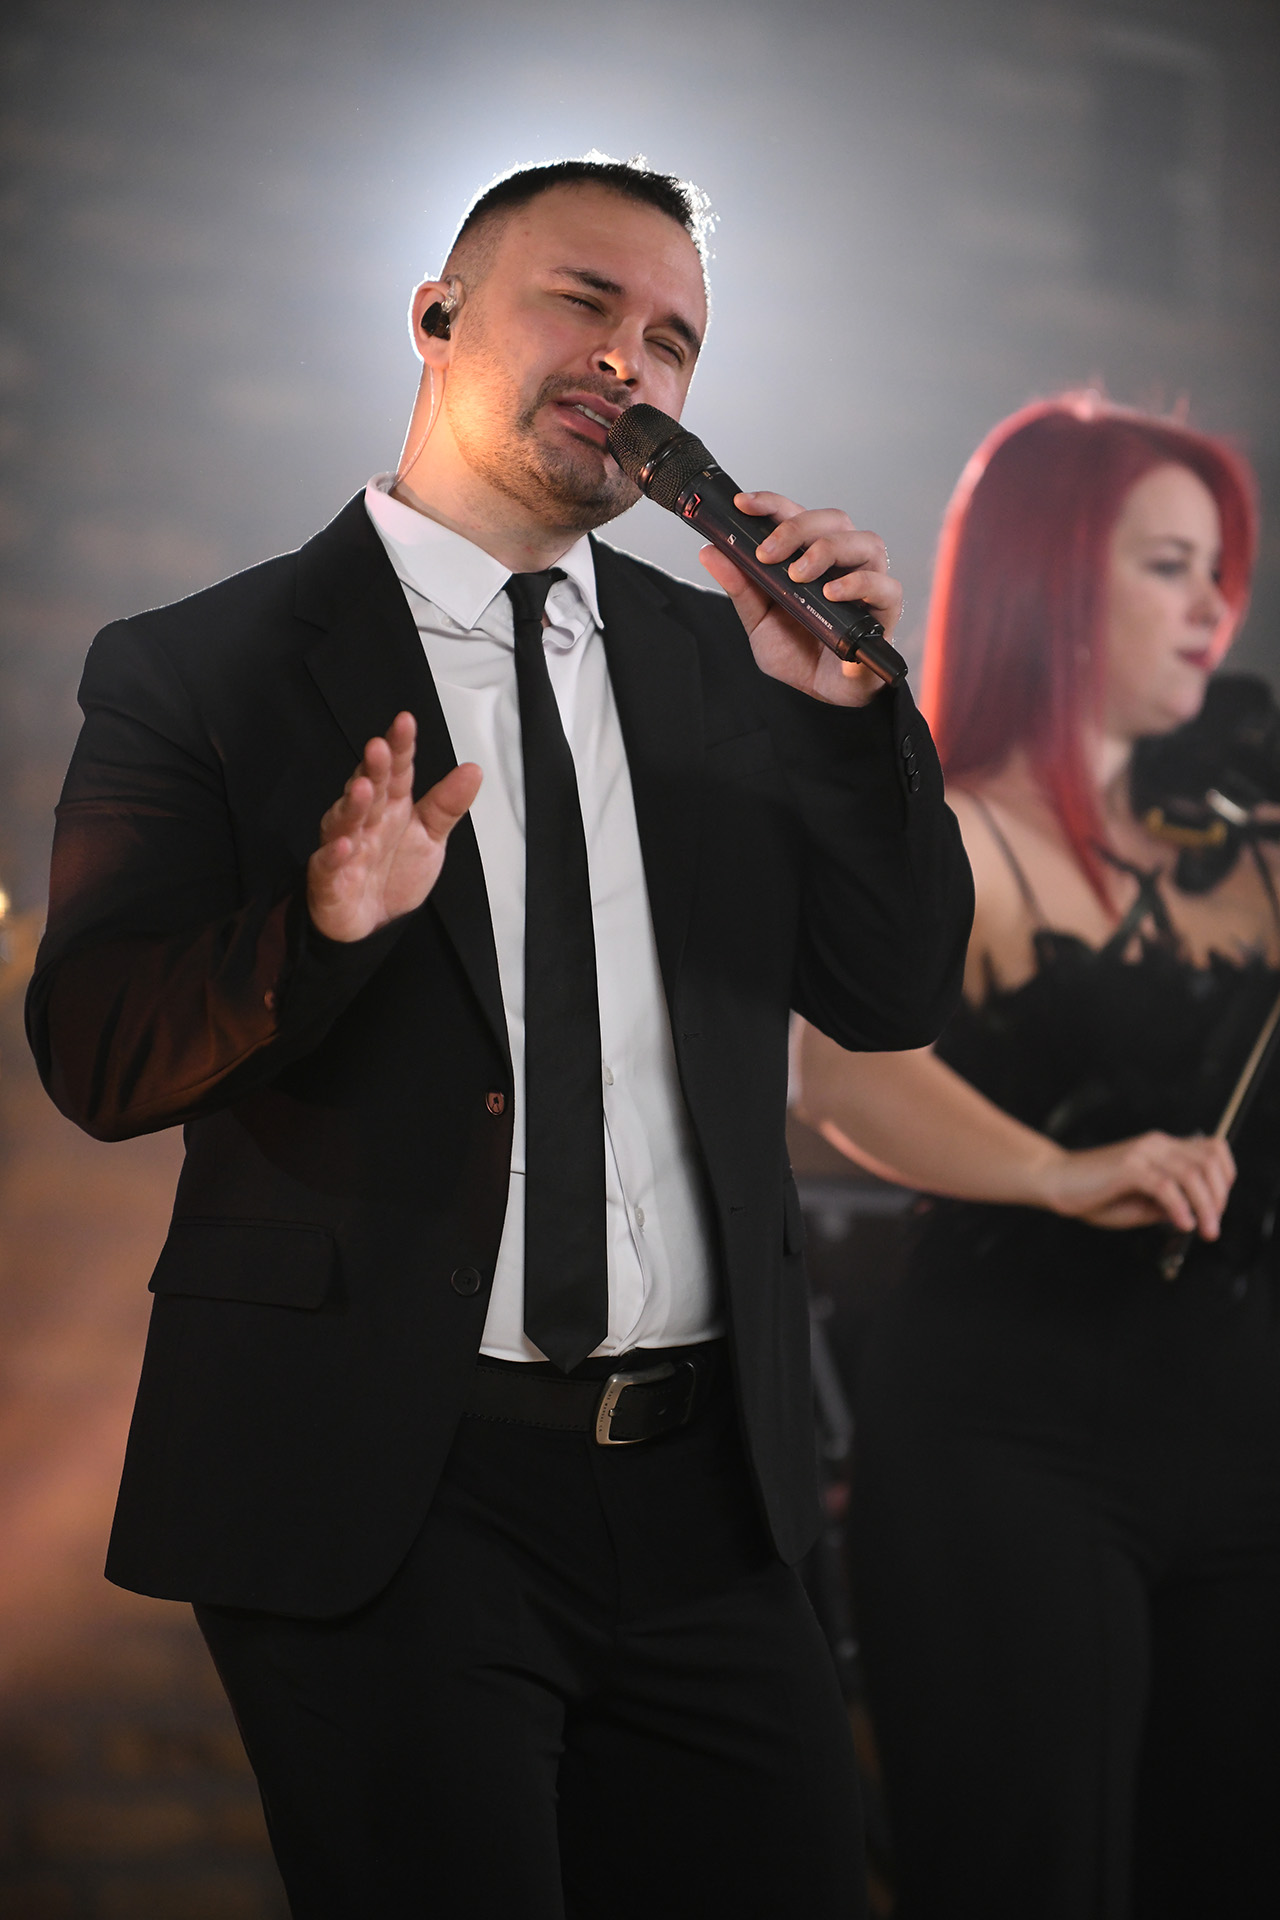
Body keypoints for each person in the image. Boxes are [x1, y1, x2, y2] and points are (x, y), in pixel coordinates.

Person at [26, 157, 972, 1918]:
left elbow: (896, 989)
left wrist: (851, 728)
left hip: (711, 1498)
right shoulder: (206, 665)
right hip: (393, 1491)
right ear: (438, 315)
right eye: (585, 302)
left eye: (674, 339)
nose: (632, 360)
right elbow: (95, 1049)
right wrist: (316, 932)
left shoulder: (734, 663)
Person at [793, 393, 1280, 1919]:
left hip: (1250, 1448)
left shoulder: (1254, 854)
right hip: (1011, 1446)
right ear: (1054, 579)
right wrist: (1062, 1171)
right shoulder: (961, 835)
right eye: (1167, 567)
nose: (1213, 611)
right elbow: (840, 1066)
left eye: (1219, 573)